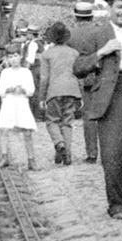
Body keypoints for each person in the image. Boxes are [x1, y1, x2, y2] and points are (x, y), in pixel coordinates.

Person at [75, 0, 122, 219]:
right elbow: (78, 68)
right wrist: (101, 52)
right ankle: (117, 205)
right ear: (109, 8)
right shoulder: (97, 36)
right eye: (119, 7)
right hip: (109, 98)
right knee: (112, 155)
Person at [35, 20, 83, 165]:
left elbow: (44, 79)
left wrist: (41, 98)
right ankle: (67, 155)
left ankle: (59, 143)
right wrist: (80, 94)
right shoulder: (74, 53)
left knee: (52, 121)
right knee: (67, 123)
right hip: (72, 90)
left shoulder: (46, 55)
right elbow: (78, 75)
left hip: (54, 91)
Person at [67, 3, 105, 165]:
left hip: (79, 78)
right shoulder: (100, 32)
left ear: (76, 17)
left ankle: (91, 153)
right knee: (104, 116)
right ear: (92, 16)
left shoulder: (70, 34)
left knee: (88, 117)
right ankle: (107, 152)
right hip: (99, 77)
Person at [0, 56, 38, 170]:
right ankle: (4, 157)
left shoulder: (26, 72)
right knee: (4, 130)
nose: (13, 59)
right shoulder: (5, 73)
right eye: (10, 57)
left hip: (22, 102)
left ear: (20, 57)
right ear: (7, 59)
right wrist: (9, 89)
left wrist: (22, 90)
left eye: (15, 56)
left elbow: (31, 90)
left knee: (27, 132)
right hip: (8, 102)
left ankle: (31, 160)